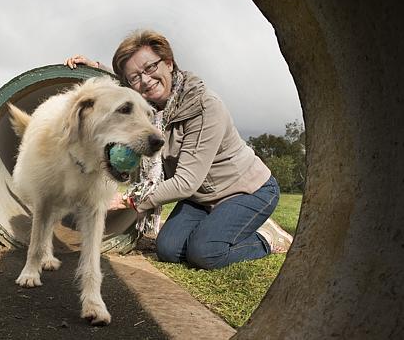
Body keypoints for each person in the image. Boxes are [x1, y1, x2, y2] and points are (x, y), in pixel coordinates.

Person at [65, 29, 293, 270]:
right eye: (135, 77)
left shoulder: (204, 106)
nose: (145, 79)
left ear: (169, 64)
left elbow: (186, 182)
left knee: (204, 253)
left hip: (246, 190)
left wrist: (127, 200)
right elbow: (123, 88)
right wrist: (95, 68)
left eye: (151, 68)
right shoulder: (149, 108)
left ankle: (266, 238)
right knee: (169, 249)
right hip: (202, 197)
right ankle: (218, 225)